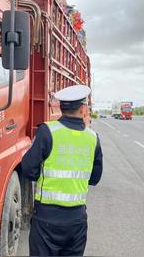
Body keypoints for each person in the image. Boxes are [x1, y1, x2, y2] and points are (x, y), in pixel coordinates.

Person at [21, 84, 103, 256]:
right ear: (83, 109)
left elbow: (28, 168)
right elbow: (94, 178)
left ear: (60, 107)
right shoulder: (93, 138)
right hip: (76, 219)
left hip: (46, 219)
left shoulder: (47, 131)